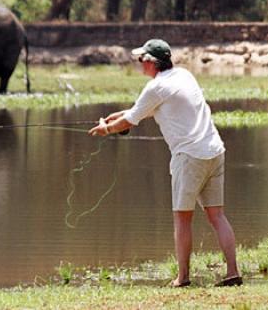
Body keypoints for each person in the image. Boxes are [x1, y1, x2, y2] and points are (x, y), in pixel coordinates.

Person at [88, 38, 242, 288]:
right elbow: (140, 111)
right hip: (215, 150)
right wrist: (116, 117)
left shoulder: (155, 88)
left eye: (142, 60)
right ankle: (233, 272)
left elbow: (132, 119)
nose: (140, 64)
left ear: (151, 62)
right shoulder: (184, 75)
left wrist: (106, 129)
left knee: (182, 219)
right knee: (217, 216)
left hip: (189, 157)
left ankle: (183, 278)